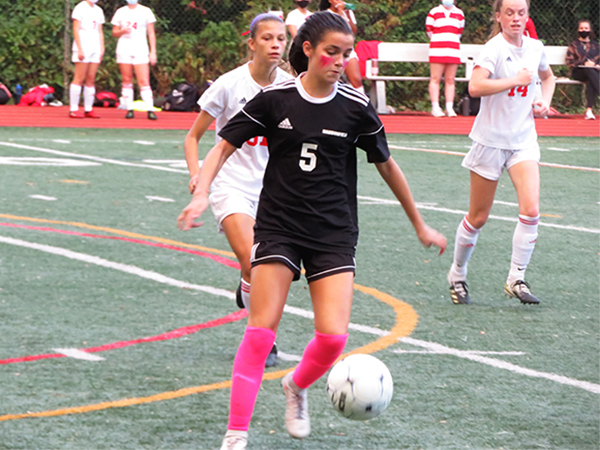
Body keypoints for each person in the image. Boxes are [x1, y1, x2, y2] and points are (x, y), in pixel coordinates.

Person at [177, 11, 447, 450]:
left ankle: (296, 387)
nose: (341, 61)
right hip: (279, 225)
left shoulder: (355, 107)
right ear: (308, 50)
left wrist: (420, 223)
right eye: (331, 52)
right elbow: (224, 142)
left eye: (346, 53)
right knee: (260, 329)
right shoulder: (276, 98)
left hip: (333, 231)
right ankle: (236, 433)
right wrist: (202, 191)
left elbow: (387, 166)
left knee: (333, 336)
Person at [183, 13, 292, 368]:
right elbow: (193, 137)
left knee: (268, 270)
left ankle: (247, 289)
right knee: (255, 262)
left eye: (280, 38)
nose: (275, 44)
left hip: (272, 191)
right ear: (251, 43)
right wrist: (198, 176)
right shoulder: (230, 85)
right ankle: (264, 338)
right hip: (231, 187)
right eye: (267, 39)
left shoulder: (290, 86)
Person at [446, 0, 555, 306]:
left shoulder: (535, 48)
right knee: (478, 217)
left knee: (531, 210)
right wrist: (515, 81)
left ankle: (515, 278)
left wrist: (543, 101)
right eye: (509, 12)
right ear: (499, 16)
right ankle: (457, 274)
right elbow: (475, 87)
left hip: (523, 141)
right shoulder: (493, 48)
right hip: (490, 141)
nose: (516, 18)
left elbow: (548, 78)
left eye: (521, 12)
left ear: (527, 16)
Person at [111, 0, 158, 120]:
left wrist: (153, 52)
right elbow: (114, 32)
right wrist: (122, 31)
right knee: (127, 79)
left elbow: (151, 33)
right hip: (124, 49)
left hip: (141, 49)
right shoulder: (121, 11)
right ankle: (129, 109)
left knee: (144, 80)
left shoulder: (145, 11)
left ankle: (150, 109)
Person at [426, 0, 465, 117]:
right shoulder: (434, 12)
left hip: (453, 50)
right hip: (437, 49)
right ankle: (435, 107)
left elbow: (459, 32)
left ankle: (449, 107)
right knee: (435, 78)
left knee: (450, 80)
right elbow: (429, 30)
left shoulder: (459, 13)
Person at [69, 0, 105, 119]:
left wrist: (102, 47)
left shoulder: (99, 10)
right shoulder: (80, 8)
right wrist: (80, 48)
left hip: (95, 47)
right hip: (83, 46)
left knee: (91, 78)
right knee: (79, 77)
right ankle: (74, 108)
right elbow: (76, 29)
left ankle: (88, 108)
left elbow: (100, 31)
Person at [319, 0, 364, 93]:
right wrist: (339, 12)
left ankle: (362, 104)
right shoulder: (325, 14)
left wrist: (346, 14)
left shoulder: (348, 12)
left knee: (356, 79)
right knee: (331, 80)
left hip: (347, 50)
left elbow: (353, 31)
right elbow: (335, 31)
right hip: (332, 51)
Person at [566, 20, 599, 120]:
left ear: (590, 30)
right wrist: (583, 64)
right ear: (578, 30)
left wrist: (596, 65)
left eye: (586, 28)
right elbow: (570, 62)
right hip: (578, 71)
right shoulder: (574, 45)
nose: (583, 30)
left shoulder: (596, 45)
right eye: (581, 28)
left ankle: (589, 110)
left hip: (594, 72)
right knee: (589, 71)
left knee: (591, 78)